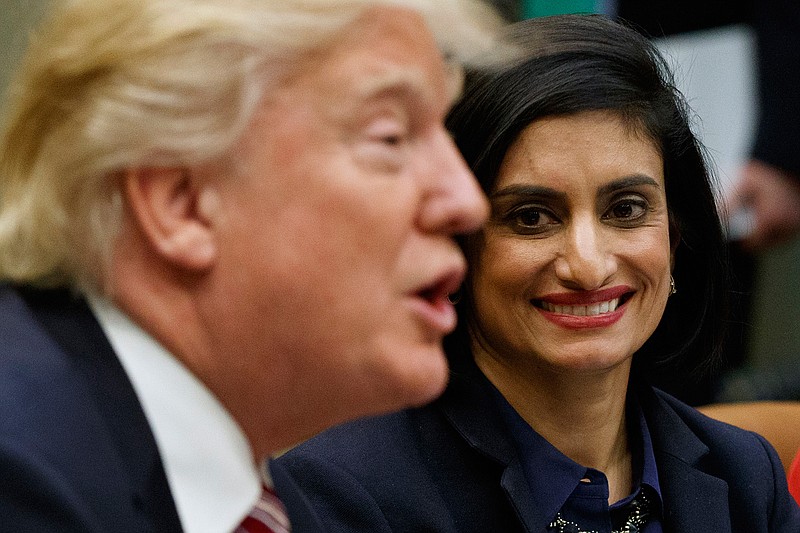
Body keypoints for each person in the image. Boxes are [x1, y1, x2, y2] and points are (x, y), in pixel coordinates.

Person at [277, 14, 800, 532]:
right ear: (457, 245)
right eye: (531, 218)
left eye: (626, 209)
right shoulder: (343, 496)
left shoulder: (747, 476)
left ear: (676, 237)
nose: (588, 265)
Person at [0, 0, 507, 531]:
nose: (467, 202)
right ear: (183, 203)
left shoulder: (276, 504)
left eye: (443, 133)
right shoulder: (21, 475)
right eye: (390, 138)